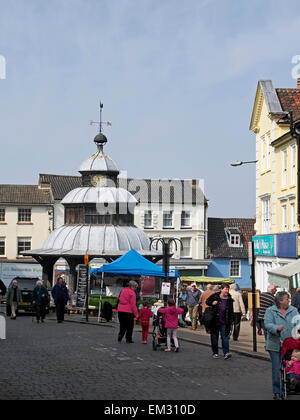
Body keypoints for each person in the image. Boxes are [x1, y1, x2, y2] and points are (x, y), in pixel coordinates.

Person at [264, 291, 299, 400]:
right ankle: (277, 391)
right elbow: (267, 324)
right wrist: (276, 328)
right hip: (275, 343)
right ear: (280, 301)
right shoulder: (270, 311)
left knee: (292, 364)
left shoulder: (293, 310)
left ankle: (289, 384)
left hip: (290, 344)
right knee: (277, 367)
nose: (288, 300)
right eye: (286, 299)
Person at [206, 283, 234, 360]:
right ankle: (215, 353)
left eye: (228, 289)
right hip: (214, 321)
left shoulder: (229, 299)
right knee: (214, 338)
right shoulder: (215, 296)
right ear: (221, 289)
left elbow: (231, 311)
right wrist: (212, 303)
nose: (227, 291)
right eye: (225, 289)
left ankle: (226, 353)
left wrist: (231, 321)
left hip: (225, 321)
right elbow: (207, 301)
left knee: (225, 337)